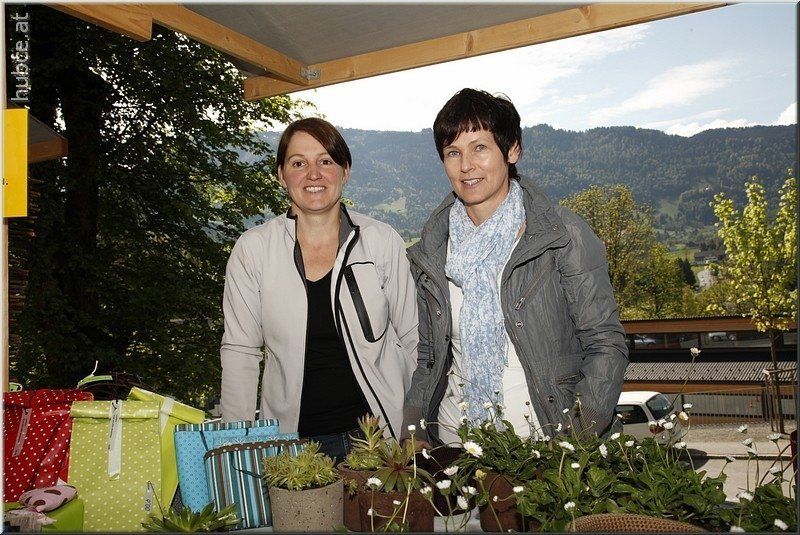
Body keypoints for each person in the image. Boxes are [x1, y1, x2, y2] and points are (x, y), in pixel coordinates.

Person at [403, 89, 628, 447]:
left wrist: (574, 440)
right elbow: (429, 356)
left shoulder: (562, 236)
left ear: (512, 151)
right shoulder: (433, 249)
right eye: (453, 152)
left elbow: (605, 344)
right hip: (454, 445)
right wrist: (413, 433)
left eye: (480, 147)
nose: (466, 166)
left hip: (543, 445)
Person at [220, 118, 418, 463]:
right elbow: (241, 352)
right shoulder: (254, 250)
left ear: (345, 170)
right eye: (298, 163)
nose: (313, 174)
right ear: (281, 174)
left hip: (378, 441)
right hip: (292, 449)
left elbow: (413, 337)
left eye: (325, 161)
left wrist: (414, 428)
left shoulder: (381, 242)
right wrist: (236, 449)